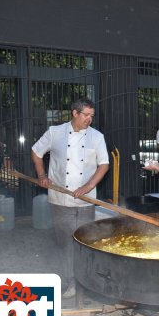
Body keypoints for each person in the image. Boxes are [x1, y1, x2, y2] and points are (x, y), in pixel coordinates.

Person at [31, 99, 109, 298]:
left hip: (86, 200)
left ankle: (88, 282)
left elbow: (104, 165)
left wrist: (88, 186)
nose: (90, 119)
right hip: (60, 199)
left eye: (92, 115)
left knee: (85, 242)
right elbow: (36, 152)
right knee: (65, 242)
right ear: (75, 113)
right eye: (86, 115)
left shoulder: (97, 137)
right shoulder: (54, 132)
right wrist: (41, 176)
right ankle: (71, 282)